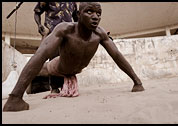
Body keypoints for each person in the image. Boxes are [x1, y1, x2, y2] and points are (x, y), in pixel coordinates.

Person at [3, 2, 144, 112]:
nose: (95, 17)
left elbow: (117, 56)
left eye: (98, 13)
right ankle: (19, 93)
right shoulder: (65, 29)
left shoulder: (100, 34)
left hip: (73, 69)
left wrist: (137, 82)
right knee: (43, 66)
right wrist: (16, 97)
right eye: (90, 12)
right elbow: (41, 54)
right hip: (58, 65)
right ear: (80, 14)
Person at [32, 2, 78, 95]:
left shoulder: (73, 3)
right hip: (53, 35)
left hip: (68, 35)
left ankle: (67, 86)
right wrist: (39, 25)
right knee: (53, 60)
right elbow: (37, 12)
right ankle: (54, 87)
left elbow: (76, 18)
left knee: (68, 60)